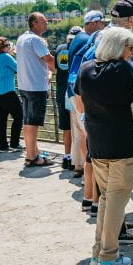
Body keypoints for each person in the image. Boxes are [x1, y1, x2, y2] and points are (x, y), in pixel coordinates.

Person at [73, 26, 133, 265]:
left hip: (97, 144)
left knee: (107, 198)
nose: (132, 53)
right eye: (131, 47)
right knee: (117, 199)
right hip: (122, 145)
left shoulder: (86, 69)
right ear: (120, 47)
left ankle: (99, 252)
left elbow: (80, 106)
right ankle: (108, 255)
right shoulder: (122, 69)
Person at [66, 10, 107, 206]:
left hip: (76, 97)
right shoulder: (90, 45)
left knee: (88, 148)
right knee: (93, 150)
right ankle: (94, 199)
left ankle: (88, 197)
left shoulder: (80, 41)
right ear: (92, 23)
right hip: (84, 101)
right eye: (101, 23)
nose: (103, 26)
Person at [16, 12, 55, 166]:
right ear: (35, 23)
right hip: (36, 86)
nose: (46, 24)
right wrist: (55, 70)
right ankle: (32, 157)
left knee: (27, 122)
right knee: (33, 123)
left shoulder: (22, 38)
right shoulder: (35, 40)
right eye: (44, 21)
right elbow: (49, 59)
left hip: (24, 85)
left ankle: (32, 153)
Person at [55, 25, 83, 171]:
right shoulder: (80, 49)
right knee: (78, 127)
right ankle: (79, 161)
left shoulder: (60, 49)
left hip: (61, 91)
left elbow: (57, 68)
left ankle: (67, 157)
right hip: (74, 92)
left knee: (66, 126)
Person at [0, 35, 23, 152]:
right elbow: (19, 68)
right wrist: (13, 55)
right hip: (7, 91)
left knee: (2, 119)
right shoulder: (6, 57)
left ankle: (2, 146)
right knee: (19, 117)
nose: (10, 47)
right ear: (3, 47)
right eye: (8, 45)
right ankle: (14, 143)